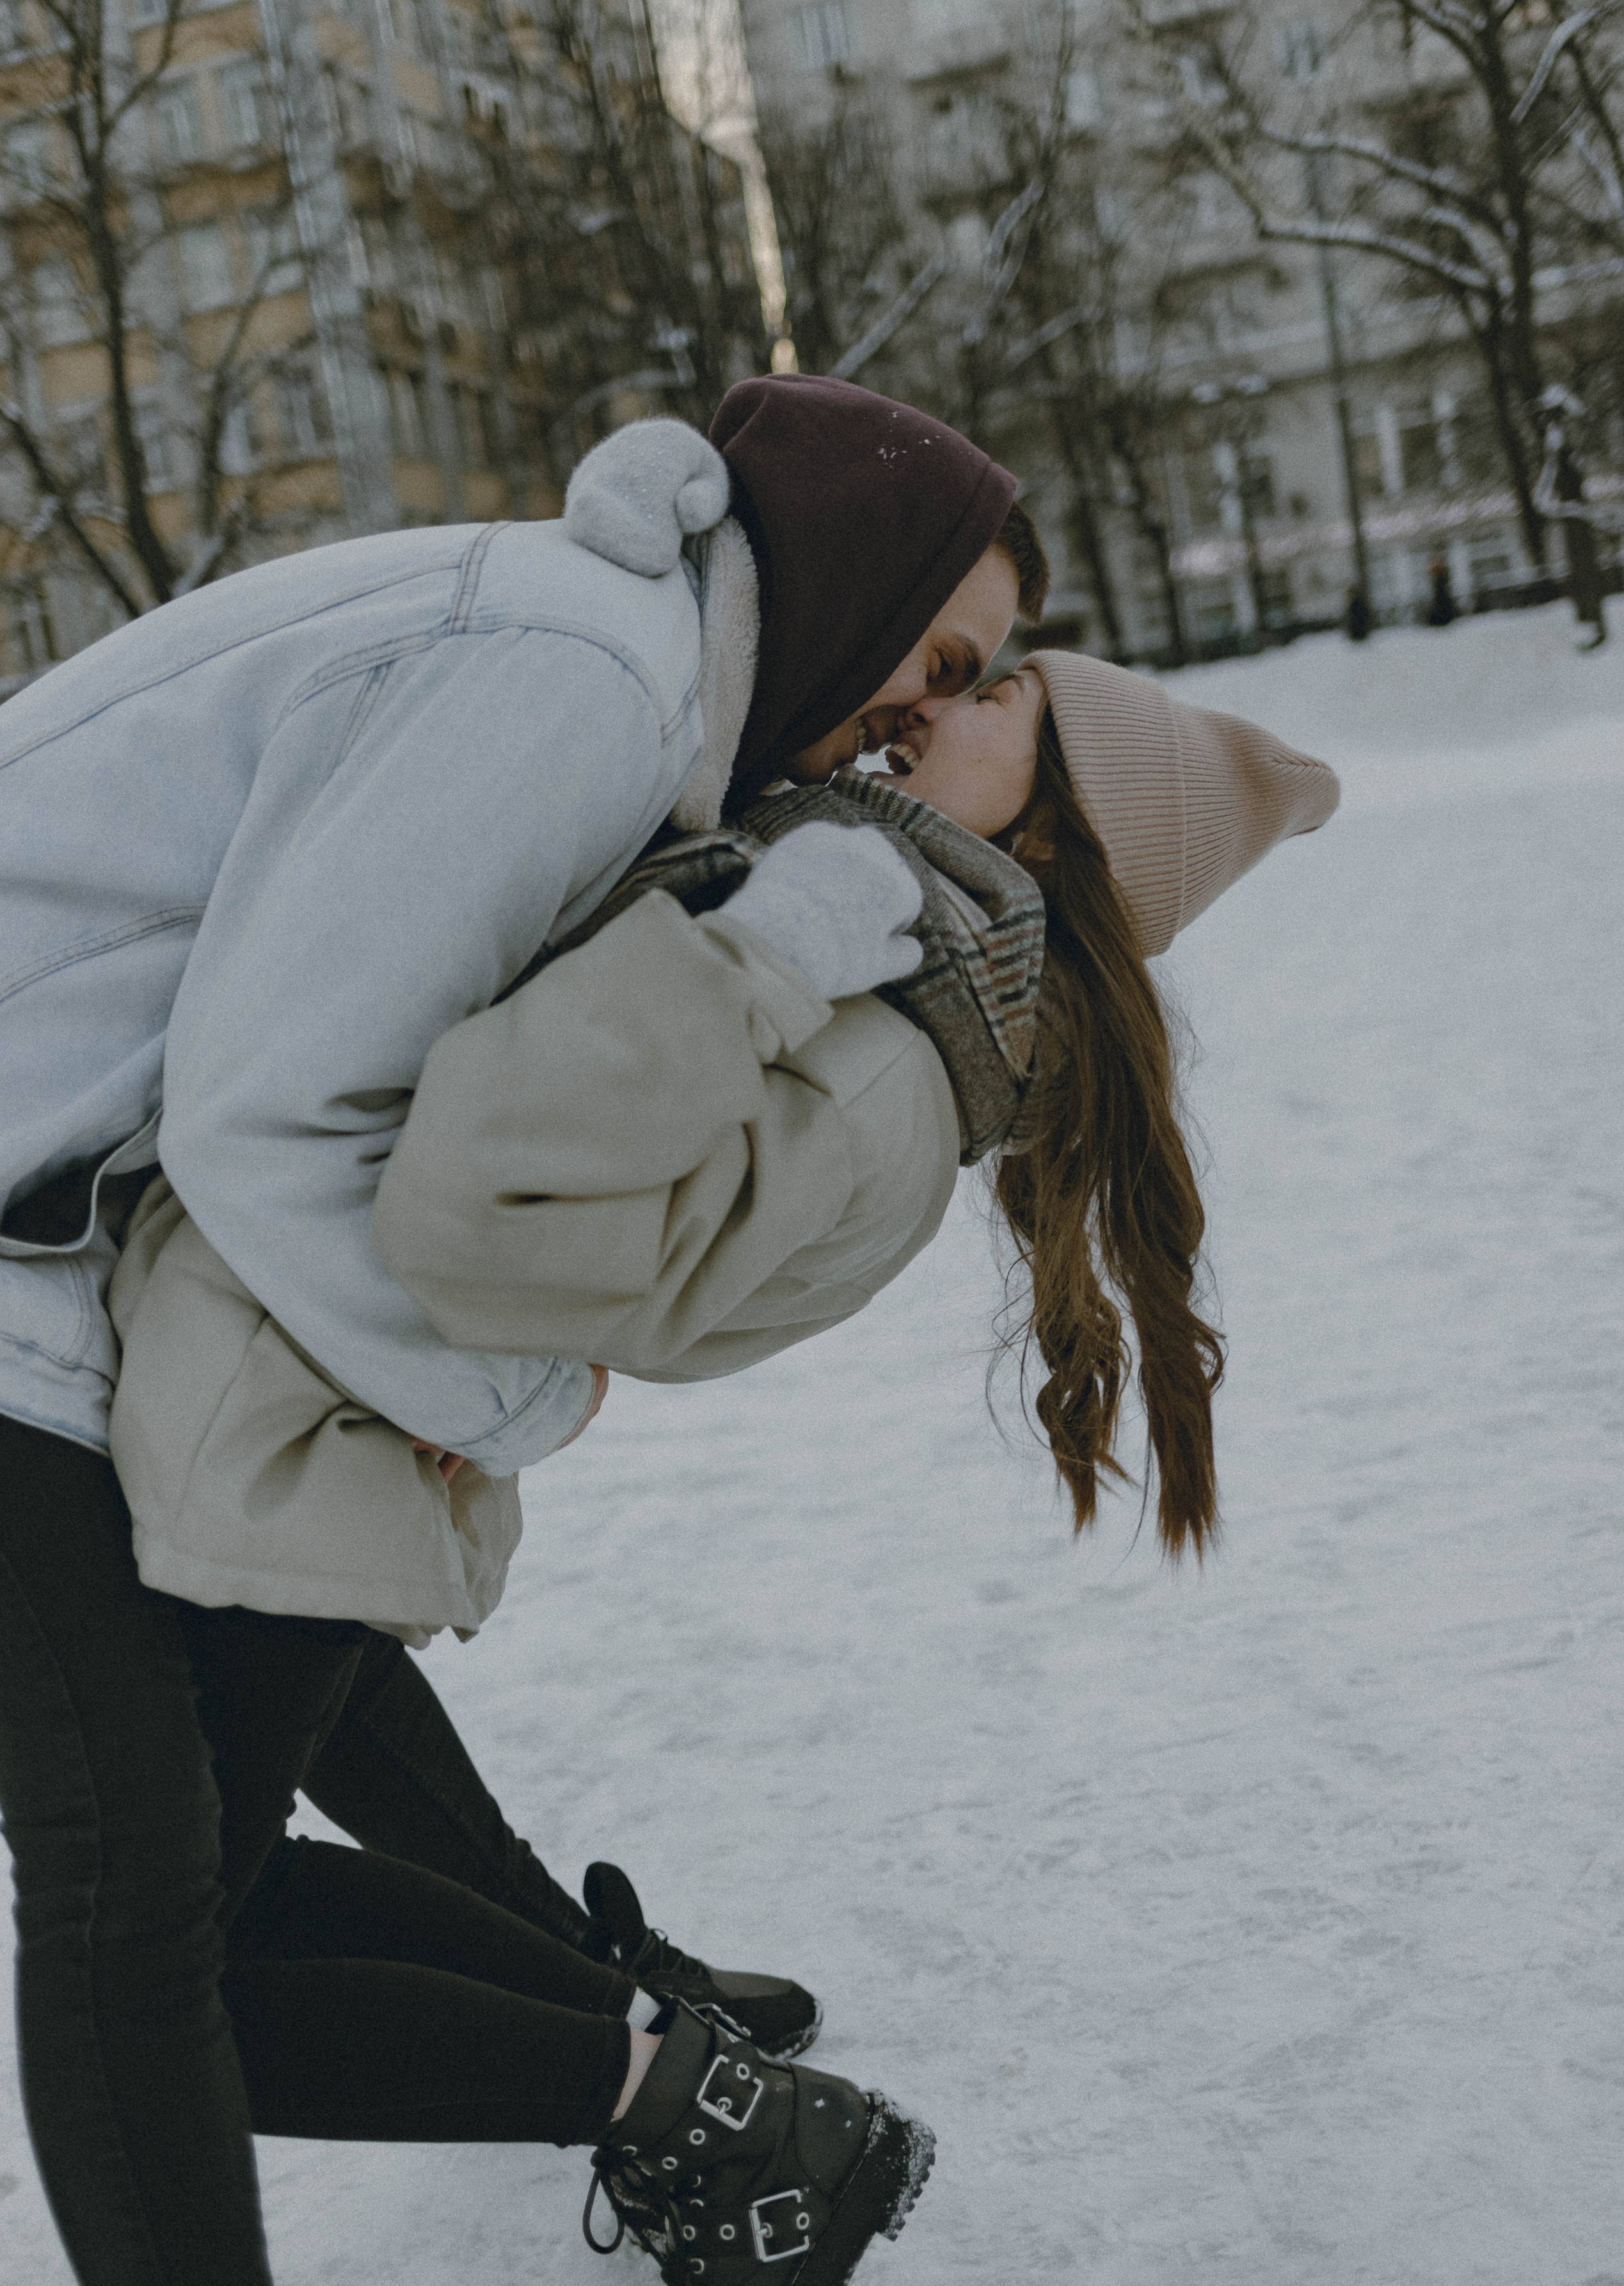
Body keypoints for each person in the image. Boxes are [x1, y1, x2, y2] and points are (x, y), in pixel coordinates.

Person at [97, 580, 1338, 2282]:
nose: (938, 699)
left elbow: (525, 1234)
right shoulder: (869, 935)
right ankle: (652, 2052)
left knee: (153, 1973)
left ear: (1050, 834)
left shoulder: (882, 1051)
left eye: (999, 698)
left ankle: (699, 2107)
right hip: (259, 1402)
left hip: (273, 1407)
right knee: (160, 1933)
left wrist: (512, 1382)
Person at [0, 374, 1024, 2286]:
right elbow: (273, 1113)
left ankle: (623, 2030)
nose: (920, 728)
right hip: (28, 1221)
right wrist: (497, 1387)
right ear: (853, 580)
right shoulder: (582, 681)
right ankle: (637, 2060)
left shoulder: (618, 671)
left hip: (48, 1208)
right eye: (936, 662)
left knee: (203, 1766)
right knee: (135, 1895)